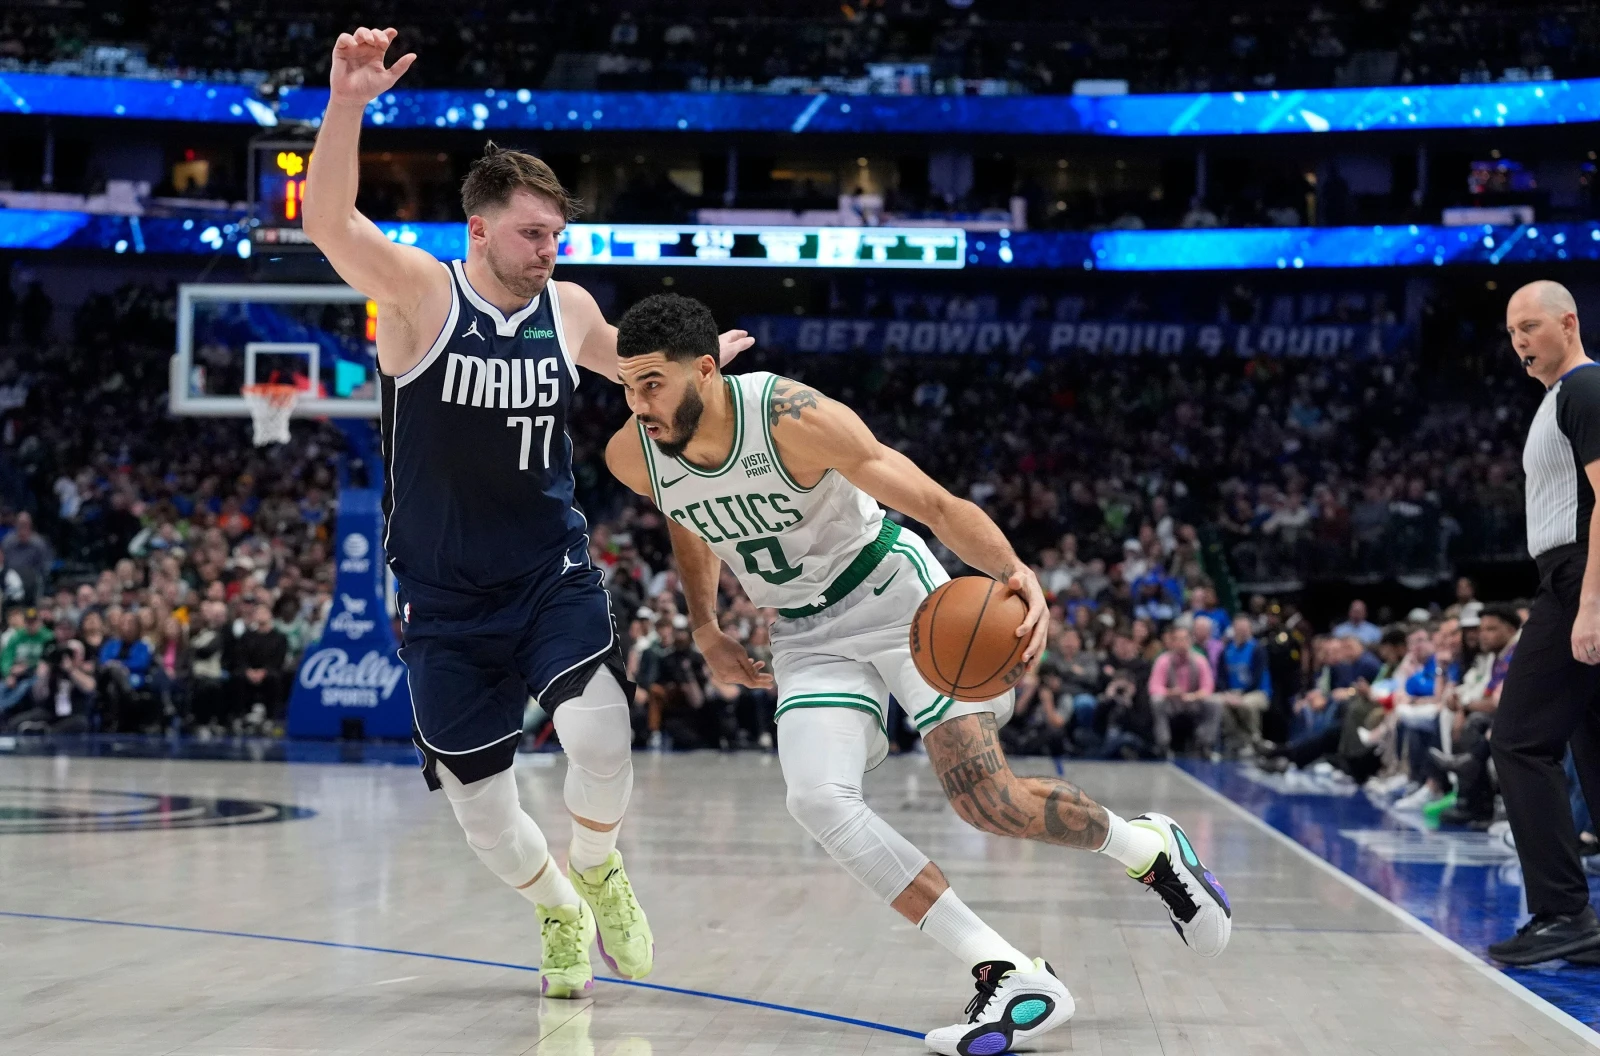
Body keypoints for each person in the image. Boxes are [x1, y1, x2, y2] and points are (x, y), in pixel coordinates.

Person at [605, 293, 1230, 1055]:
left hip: (897, 598)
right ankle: (1006, 971)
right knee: (816, 798)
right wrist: (705, 626)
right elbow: (684, 514)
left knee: (987, 803)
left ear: (705, 369)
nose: (637, 404)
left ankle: (1148, 850)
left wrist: (1013, 570)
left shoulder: (793, 417)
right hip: (803, 632)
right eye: (627, 386)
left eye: (652, 384)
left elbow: (933, 502)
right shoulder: (634, 452)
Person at [301, 25, 753, 997]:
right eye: (531, 233)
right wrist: (346, 105)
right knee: (482, 812)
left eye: (556, 235)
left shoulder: (569, 308)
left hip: (548, 571)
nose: (549, 249)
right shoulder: (420, 296)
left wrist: (696, 369)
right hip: (443, 594)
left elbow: (636, 370)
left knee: (602, 734)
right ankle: (556, 906)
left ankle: (598, 868)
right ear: (478, 231)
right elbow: (330, 224)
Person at [1486, 281, 1600, 965]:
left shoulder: (1584, 389)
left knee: (1519, 740)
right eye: (1511, 333)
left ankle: (1563, 911)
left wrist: (1590, 602)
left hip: (1579, 578)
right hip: (1572, 577)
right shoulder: (1560, 398)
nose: (1519, 342)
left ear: (1569, 322)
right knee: (1593, 749)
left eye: (1530, 326)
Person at [1147, 624, 1223, 758]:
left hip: (1193, 701)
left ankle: (1205, 744)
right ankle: (1163, 745)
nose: (1181, 643)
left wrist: (1193, 696)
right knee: (1156, 700)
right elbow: (1154, 687)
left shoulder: (1200, 661)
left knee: (1214, 702)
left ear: (1190, 641)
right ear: (1172, 642)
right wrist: (1170, 693)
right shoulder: (1163, 661)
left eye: (1184, 639)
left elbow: (1207, 687)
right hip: (1172, 702)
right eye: (1178, 640)